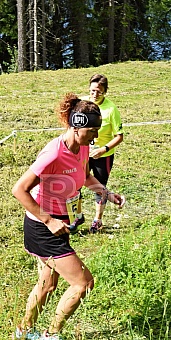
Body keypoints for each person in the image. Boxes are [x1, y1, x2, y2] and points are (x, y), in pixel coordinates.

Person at [12, 93, 124, 340]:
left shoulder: (82, 147)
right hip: (43, 226)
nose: (95, 136)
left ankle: (25, 329)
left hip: (59, 223)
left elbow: (84, 175)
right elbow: (19, 190)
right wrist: (48, 220)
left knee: (47, 285)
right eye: (91, 130)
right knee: (83, 283)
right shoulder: (53, 153)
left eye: (97, 129)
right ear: (76, 126)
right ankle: (50, 336)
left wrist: (105, 192)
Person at [70, 74, 125, 234]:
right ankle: (77, 216)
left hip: (103, 156)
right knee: (76, 184)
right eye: (92, 90)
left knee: (99, 187)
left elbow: (119, 136)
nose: (95, 95)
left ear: (105, 92)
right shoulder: (82, 104)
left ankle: (97, 220)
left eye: (99, 92)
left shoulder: (111, 109)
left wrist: (103, 150)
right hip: (83, 152)